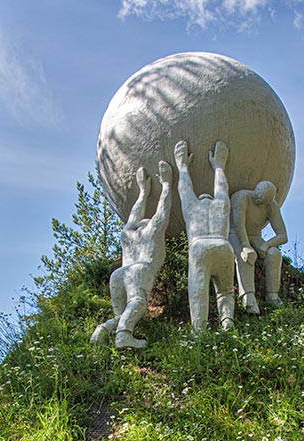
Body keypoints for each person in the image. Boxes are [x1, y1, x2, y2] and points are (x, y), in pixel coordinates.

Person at [90, 161, 172, 348]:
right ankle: (123, 335)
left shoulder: (128, 233)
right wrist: (167, 184)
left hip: (119, 274)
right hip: (140, 270)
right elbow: (163, 211)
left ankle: (102, 330)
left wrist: (143, 192)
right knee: (138, 302)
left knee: (121, 313)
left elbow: (133, 215)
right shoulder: (153, 229)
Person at [174, 139, 235, 332]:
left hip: (200, 247)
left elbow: (185, 190)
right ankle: (227, 325)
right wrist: (219, 166)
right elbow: (222, 189)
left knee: (198, 292)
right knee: (225, 291)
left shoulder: (193, 207)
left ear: (201, 199)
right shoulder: (219, 206)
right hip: (223, 245)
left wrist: (182, 167)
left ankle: (199, 332)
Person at [229, 181, 288, 313]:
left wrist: (267, 245)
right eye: (259, 199)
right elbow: (239, 224)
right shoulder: (241, 197)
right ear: (255, 190)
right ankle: (248, 296)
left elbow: (283, 235)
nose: (260, 203)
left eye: (263, 202)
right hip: (235, 233)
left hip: (256, 236)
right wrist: (245, 246)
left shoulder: (271, 205)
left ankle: (272, 294)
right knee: (246, 256)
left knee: (275, 254)